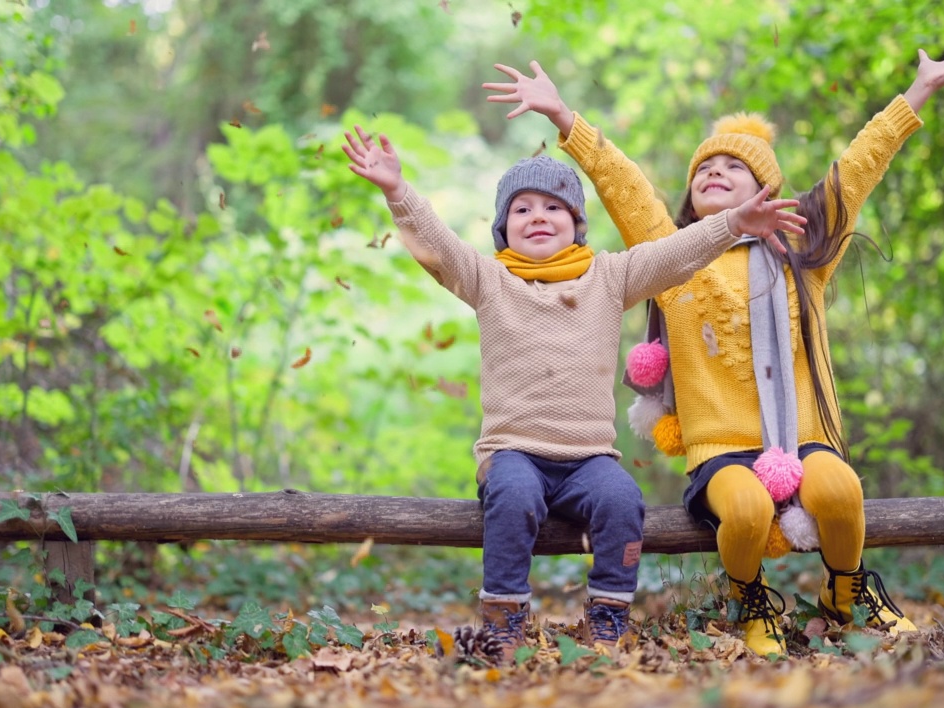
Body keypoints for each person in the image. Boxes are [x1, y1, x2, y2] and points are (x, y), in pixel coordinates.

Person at [485, 50, 944, 656]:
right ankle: (753, 601)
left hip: (802, 436)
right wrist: (566, 118)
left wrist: (916, 94)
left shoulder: (804, 250)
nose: (714, 172)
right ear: (692, 198)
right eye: (704, 169)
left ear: (767, 188)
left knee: (841, 493)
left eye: (733, 166)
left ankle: (847, 592)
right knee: (746, 509)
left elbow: (857, 168)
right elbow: (623, 185)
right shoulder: (672, 258)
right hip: (720, 449)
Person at [341, 125, 805, 661]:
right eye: (522, 209)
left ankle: (609, 613)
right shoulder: (488, 280)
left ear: (577, 223)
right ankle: (505, 615)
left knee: (622, 499)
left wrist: (730, 225)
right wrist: (398, 192)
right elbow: (437, 247)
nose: (538, 217)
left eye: (553, 208)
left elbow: (674, 254)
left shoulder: (608, 277)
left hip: (588, 458)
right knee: (513, 496)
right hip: (513, 451)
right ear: (502, 229)